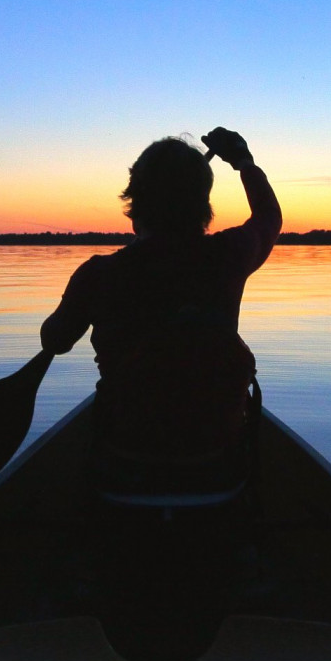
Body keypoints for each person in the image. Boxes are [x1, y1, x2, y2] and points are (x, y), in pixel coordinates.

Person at [40, 127, 282, 461]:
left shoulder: (98, 274)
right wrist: (244, 162)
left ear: (134, 200)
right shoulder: (230, 255)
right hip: (217, 463)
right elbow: (268, 216)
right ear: (203, 205)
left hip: (123, 462)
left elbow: (55, 340)